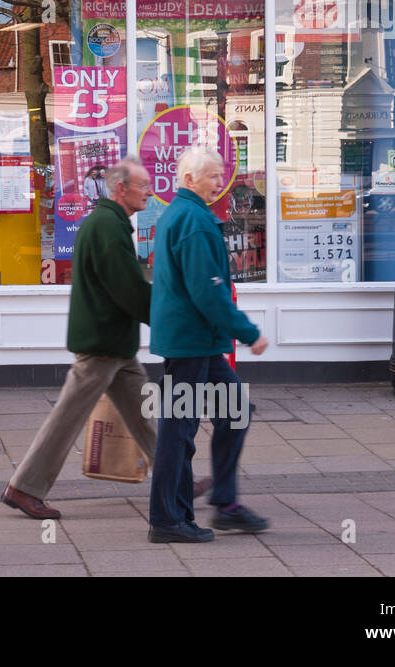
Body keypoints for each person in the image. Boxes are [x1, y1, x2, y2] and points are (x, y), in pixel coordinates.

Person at [2, 157, 164, 520]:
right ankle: (23, 487)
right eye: (142, 185)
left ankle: (176, 477)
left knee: (144, 414)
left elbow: (125, 286)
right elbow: (127, 288)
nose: (149, 191)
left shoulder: (110, 221)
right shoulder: (108, 226)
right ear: (121, 189)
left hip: (114, 344)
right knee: (67, 418)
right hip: (102, 344)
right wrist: (166, 319)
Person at [147, 144, 269, 544]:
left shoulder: (182, 215)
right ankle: (167, 520)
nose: (222, 181)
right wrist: (250, 333)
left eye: (222, 173)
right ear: (188, 180)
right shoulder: (194, 221)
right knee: (177, 431)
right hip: (191, 344)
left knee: (235, 411)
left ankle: (225, 503)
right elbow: (208, 293)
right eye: (213, 175)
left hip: (196, 342)